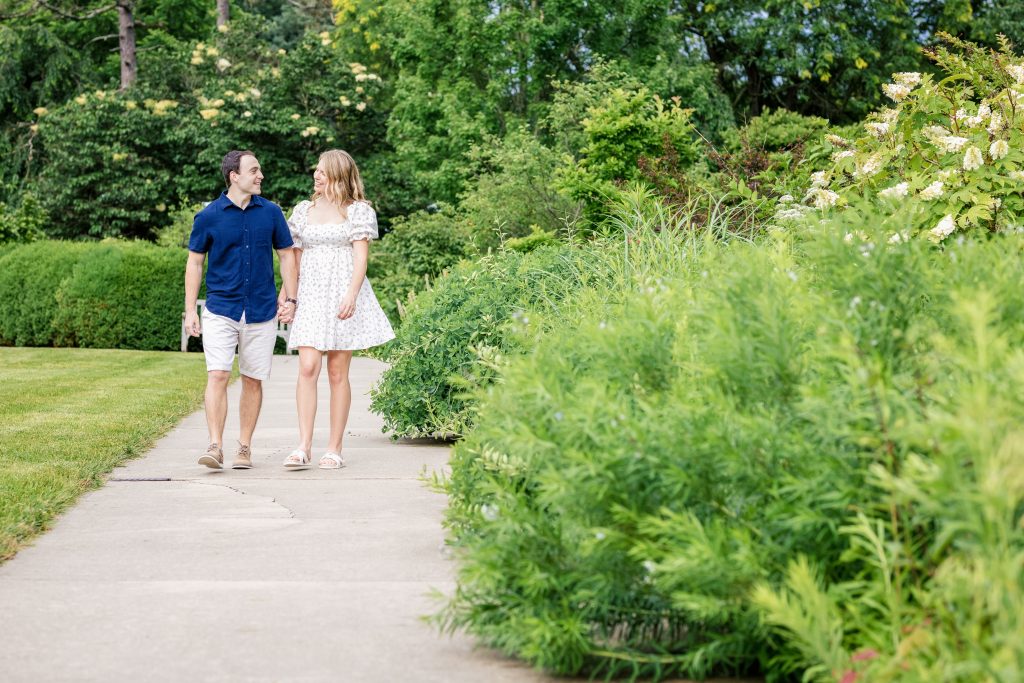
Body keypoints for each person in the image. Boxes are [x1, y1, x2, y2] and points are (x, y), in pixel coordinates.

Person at [184, 150, 298, 470]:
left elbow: (287, 255)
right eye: (254, 170)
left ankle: (244, 447)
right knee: (218, 374)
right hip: (221, 308)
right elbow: (195, 263)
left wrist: (290, 299)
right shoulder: (208, 216)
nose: (260, 176)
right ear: (234, 176)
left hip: (261, 310)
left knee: (252, 380)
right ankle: (215, 445)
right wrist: (190, 309)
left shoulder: (272, 213)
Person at [281, 149, 395, 470]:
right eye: (315, 170)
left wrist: (352, 294)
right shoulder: (303, 210)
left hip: (343, 291)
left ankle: (334, 448)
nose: (316, 175)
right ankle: (303, 445)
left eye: (322, 171)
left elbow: (361, 258)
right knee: (307, 367)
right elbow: (295, 258)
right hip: (312, 292)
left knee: (336, 373)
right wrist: (287, 295)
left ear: (338, 175)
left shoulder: (357, 211)